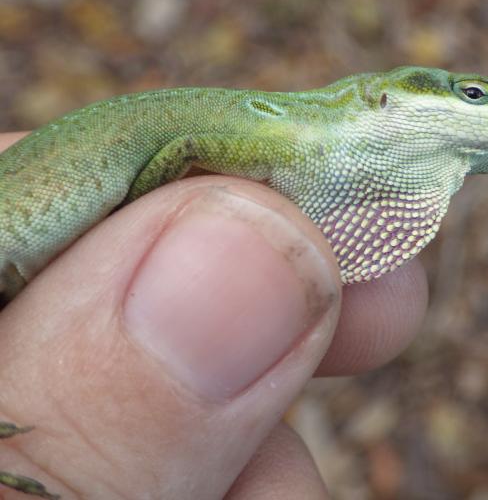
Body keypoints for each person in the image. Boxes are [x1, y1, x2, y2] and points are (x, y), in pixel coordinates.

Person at [0, 132, 428, 499]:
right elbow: (188, 147)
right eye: (474, 94)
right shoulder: (277, 135)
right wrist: (131, 218)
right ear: (380, 97)